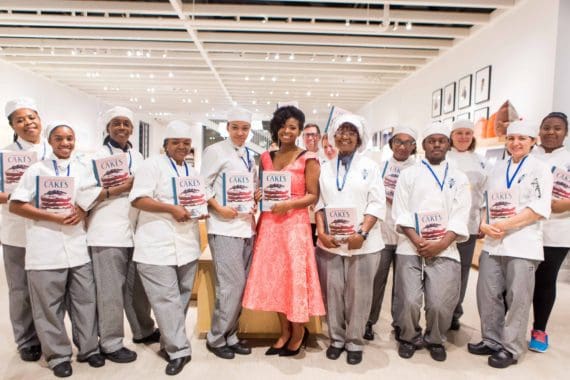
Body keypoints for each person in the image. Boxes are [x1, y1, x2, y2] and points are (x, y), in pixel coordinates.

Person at [9, 121, 104, 377]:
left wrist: (83, 209)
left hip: (76, 246)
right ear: (50, 141)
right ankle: (58, 355)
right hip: (45, 248)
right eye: (59, 138)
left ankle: (89, 349)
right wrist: (52, 217)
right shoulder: (35, 169)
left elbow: (94, 194)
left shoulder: (82, 168)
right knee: (48, 307)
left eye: (70, 138)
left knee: (85, 301)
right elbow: (16, 205)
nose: (65, 143)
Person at [468, 121, 552, 369]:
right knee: (487, 293)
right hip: (494, 243)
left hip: (522, 243)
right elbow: (486, 203)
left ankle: (511, 347)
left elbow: (537, 209)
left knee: (518, 298)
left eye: (522, 138)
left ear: (532, 141)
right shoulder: (497, 168)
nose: (516, 143)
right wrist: (483, 225)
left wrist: (504, 224)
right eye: (512, 138)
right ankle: (491, 340)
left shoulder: (540, 169)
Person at [242, 106, 325, 357]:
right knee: (277, 280)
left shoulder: (307, 158)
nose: (287, 131)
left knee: (293, 278)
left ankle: (299, 331)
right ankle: (284, 331)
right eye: (283, 125)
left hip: (294, 226)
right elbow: (264, 189)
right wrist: (259, 194)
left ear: (299, 130)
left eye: (293, 127)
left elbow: (313, 195)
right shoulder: (266, 157)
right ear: (275, 128)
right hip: (270, 225)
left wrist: (289, 203)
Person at [129, 121, 202, 376]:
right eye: (176, 142)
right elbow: (138, 198)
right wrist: (171, 209)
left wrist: (198, 211)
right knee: (165, 299)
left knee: (181, 297)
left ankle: (169, 341)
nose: (182, 147)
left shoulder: (191, 171)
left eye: (186, 142)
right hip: (156, 244)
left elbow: (197, 200)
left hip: (187, 245)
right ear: (166, 145)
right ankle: (179, 350)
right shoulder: (151, 165)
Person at [392, 123, 470, 362]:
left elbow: (461, 213)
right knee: (409, 300)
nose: (436, 144)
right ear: (423, 145)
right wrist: (417, 240)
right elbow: (401, 210)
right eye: (431, 140)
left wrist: (440, 244)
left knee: (439, 303)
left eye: (441, 140)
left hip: (445, 247)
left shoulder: (459, 177)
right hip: (410, 245)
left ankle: (436, 339)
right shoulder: (408, 174)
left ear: (448, 143)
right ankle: (408, 337)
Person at [87, 106, 158, 364]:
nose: (122, 128)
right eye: (116, 123)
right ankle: (110, 342)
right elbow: (81, 195)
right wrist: (118, 189)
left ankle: (143, 330)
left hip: (135, 230)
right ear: (107, 127)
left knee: (135, 288)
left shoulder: (138, 156)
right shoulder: (93, 157)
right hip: (105, 232)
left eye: (126, 124)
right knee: (110, 291)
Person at [315, 114, 386, 365]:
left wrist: (362, 233)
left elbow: (377, 203)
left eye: (351, 132)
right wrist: (322, 233)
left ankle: (354, 341)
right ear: (334, 136)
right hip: (331, 243)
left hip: (363, 244)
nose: (345, 136)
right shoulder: (325, 167)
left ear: (359, 138)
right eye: (341, 132)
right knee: (333, 291)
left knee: (359, 294)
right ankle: (336, 338)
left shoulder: (371, 167)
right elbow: (320, 203)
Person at [201, 107, 256, 359]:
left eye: (244, 128)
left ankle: (231, 334)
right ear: (227, 128)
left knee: (240, 286)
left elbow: (248, 186)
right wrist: (219, 208)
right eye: (235, 127)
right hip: (223, 228)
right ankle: (216, 337)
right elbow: (203, 186)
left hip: (246, 226)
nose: (240, 132)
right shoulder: (215, 151)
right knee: (230, 285)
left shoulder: (248, 154)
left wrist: (256, 196)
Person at [0, 97, 50, 362]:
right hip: (16, 231)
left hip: (50, 230)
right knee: (20, 289)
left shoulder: (53, 150)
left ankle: (48, 336)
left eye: (31, 117)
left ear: (40, 120)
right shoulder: (4, 155)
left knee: (47, 289)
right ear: (12, 125)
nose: (28, 123)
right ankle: (26, 340)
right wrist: (20, 198)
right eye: (20, 120)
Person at [365, 125, 417, 341]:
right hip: (384, 231)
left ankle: (400, 324)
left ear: (414, 146)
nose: (402, 146)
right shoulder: (381, 167)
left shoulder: (420, 169)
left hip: (408, 236)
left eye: (407, 142)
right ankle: (368, 321)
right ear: (391, 144)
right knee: (376, 281)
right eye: (398, 142)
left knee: (405, 285)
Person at [529, 112, 570, 352]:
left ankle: (539, 330)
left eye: (557, 128)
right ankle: (508, 326)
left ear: (565, 132)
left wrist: (556, 205)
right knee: (516, 281)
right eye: (546, 128)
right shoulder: (526, 155)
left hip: (557, 229)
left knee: (545, 281)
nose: (551, 132)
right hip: (524, 227)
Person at [446, 120, 487, 330]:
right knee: (443, 270)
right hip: (444, 226)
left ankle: (455, 311)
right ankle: (440, 310)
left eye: (468, 133)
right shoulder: (443, 158)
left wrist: (483, 219)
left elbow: (486, 194)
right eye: (459, 133)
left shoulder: (481, 162)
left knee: (462, 270)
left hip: (470, 226)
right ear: (451, 135)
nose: (463, 137)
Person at [303, 123, 321, 245]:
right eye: (307, 135)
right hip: (303, 213)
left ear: (319, 137)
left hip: (320, 212)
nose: (310, 138)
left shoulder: (326, 156)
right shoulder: (298, 157)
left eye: (313, 135)